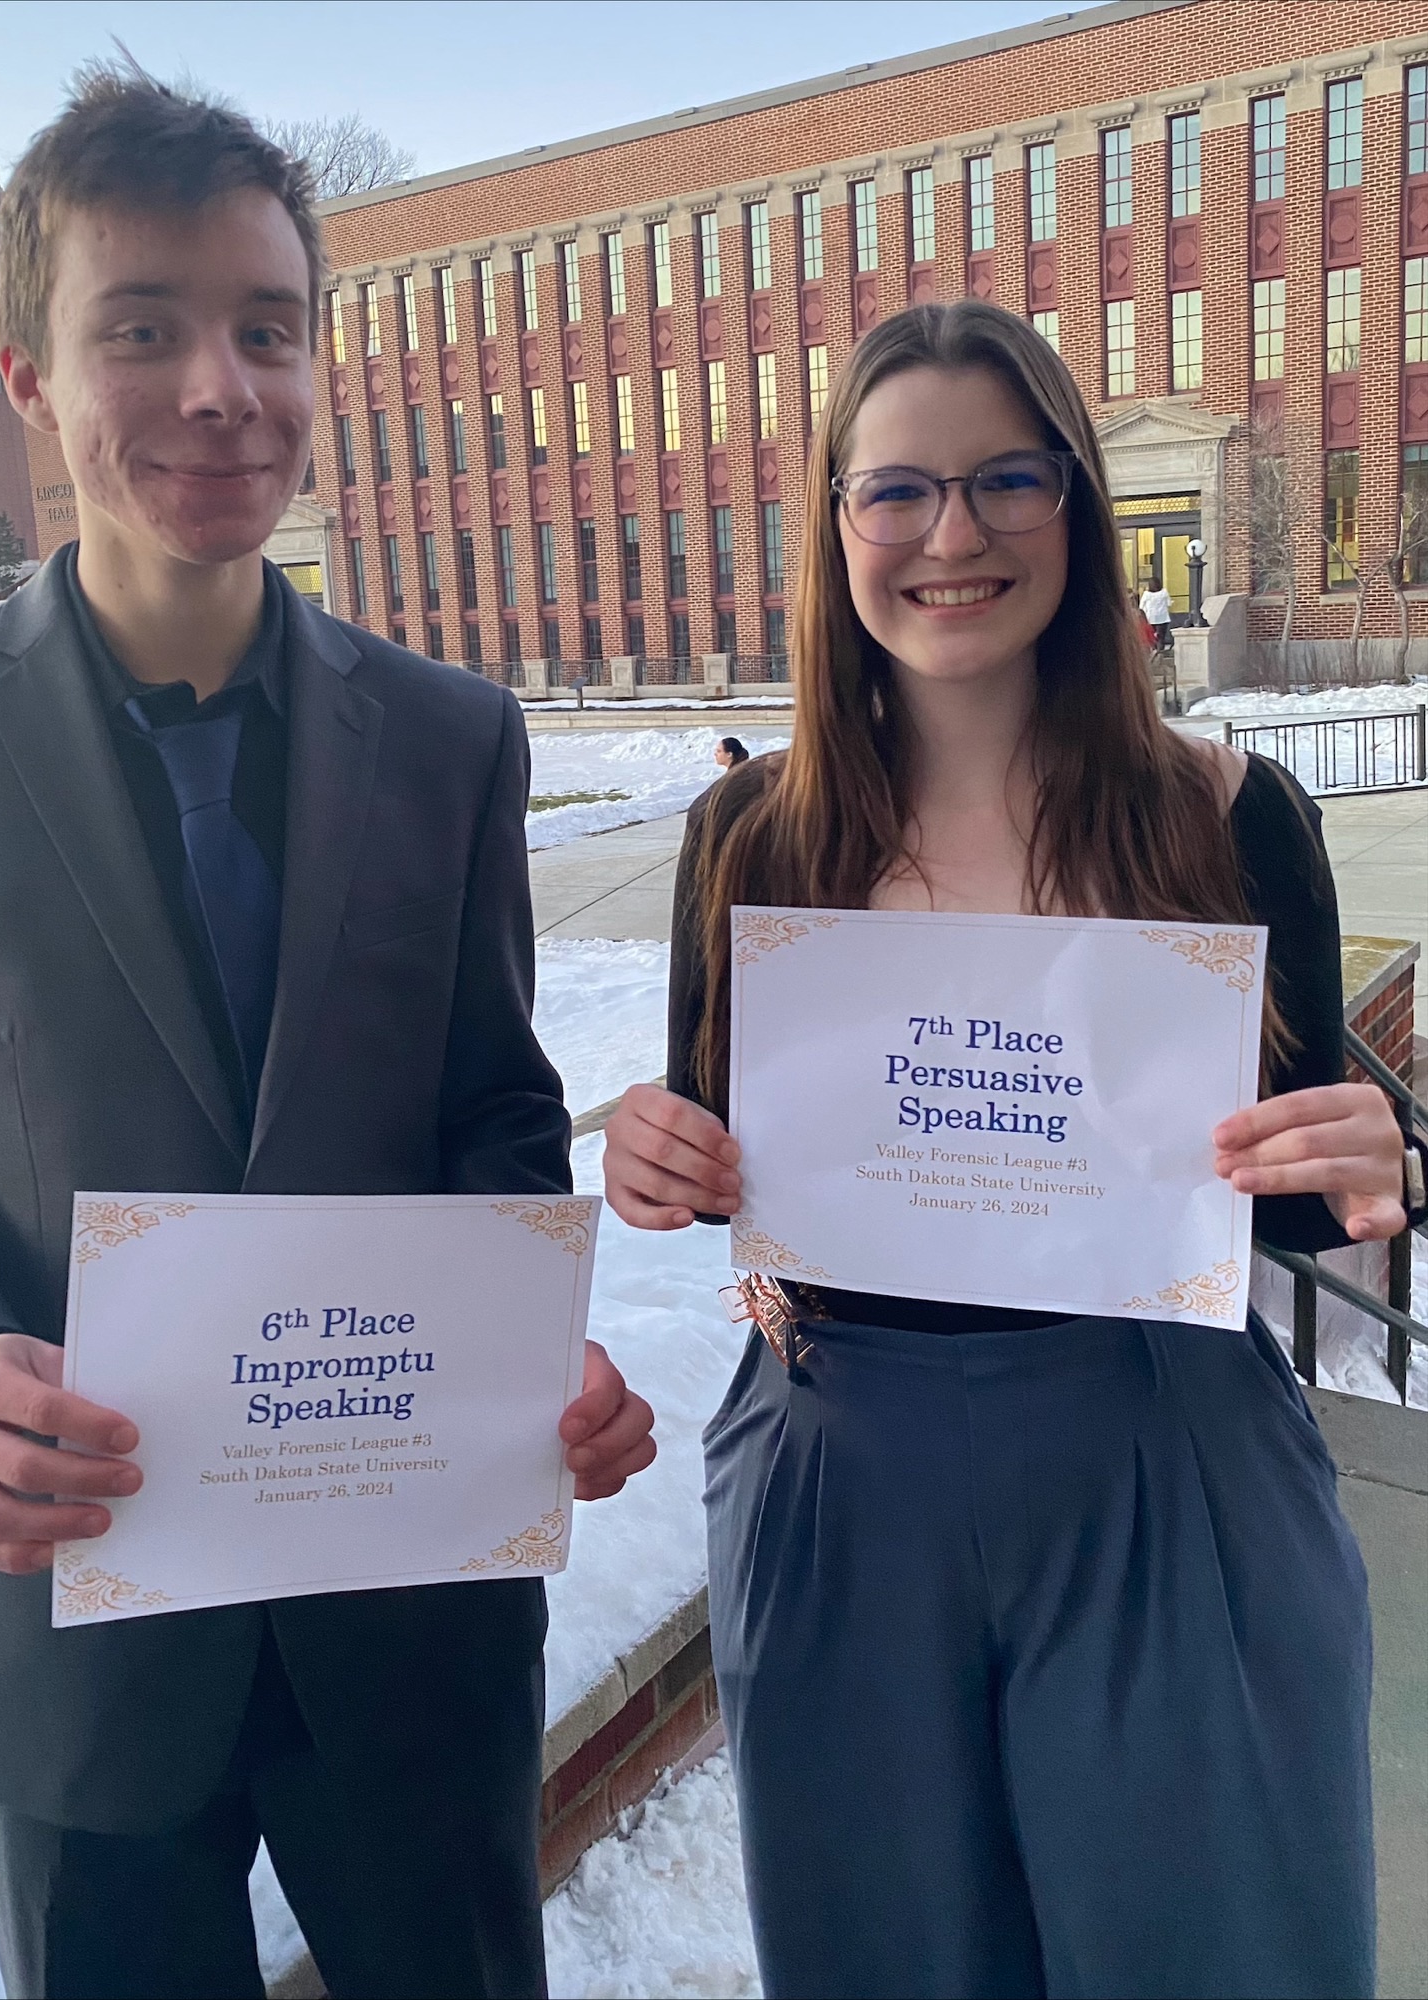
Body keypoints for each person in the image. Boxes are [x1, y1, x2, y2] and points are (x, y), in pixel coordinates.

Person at [0, 65, 655, 2000]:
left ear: (316, 364)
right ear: (29, 383)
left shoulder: (446, 741)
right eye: (140, 330)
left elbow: (490, 1111)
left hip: (404, 1612)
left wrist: (526, 1339)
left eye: (264, 329)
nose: (214, 390)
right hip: (73, 1643)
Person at [603, 301, 1419, 2000]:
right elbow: (722, 1160)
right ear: (834, 526)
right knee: (880, 1955)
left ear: (1075, 503)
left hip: (1158, 1457)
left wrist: (1377, 1157)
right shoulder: (743, 838)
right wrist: (657, 1156)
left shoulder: (1224, 816)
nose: (949, 536)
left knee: (1212, 1949)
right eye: (893, 491)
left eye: (1002, 482)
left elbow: (1278, 1200)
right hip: (837, 1460)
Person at [1139, 576, 1174, 652]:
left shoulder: (1146, 594)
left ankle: (1154, 651)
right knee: (1161, 637)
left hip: (1150, 618)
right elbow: (1169, 603)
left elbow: (1141, 606)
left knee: (1152, 637)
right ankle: (1160, 651)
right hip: (1163, 617)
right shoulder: (1164, 592)